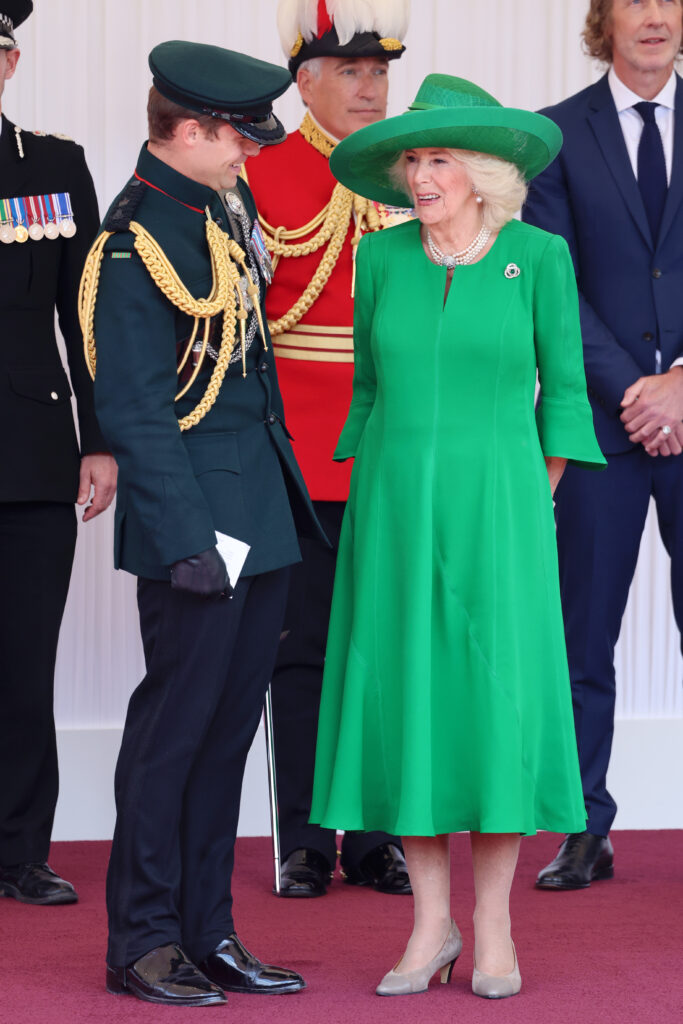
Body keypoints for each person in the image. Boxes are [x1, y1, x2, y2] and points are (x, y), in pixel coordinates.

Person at [309, 74, 606, 1000]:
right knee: (413, 707)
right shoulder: (381, 259)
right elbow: (366, 389)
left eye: (438, 157)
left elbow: (562, 392)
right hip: (392, 511)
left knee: (493, 708)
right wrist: (369, 476)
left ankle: (493, 930)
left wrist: (532, 496)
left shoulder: (539, 256)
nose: (420, 172)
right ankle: (428, 926)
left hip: (501, 514)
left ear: (480, 171)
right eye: (411, 157)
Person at [83, 40, 324, 1007]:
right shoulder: (135, 239)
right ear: (188, 131)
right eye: (235, 136)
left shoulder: (219, 212)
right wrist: (185, 538)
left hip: (256, 511)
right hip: (197, 527)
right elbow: (135, 408)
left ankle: (207, 931)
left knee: (226, 735)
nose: (248, 152)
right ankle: (143, 940)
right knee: (171, 734)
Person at [245, 0, 412, 899]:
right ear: (303, 81)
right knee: (300, 646)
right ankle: (307, 840)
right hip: (299, 448)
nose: (368, 86)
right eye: (349, 71)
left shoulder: (413, 170)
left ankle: (380, 837)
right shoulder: (262, 169)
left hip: (393, 444)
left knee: (385, 646)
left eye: (379, 71)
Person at [523, 0, 683, 891]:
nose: (654, 15)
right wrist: (638, 390)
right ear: (603, 20)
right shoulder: (551, 138)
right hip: (597, 425)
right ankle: (583, 827)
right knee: (581, 635)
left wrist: (682, 384)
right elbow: (554, 284)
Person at [0, 0, 117, 907]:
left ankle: (17, 851)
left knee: (22, 656)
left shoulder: (50, 165)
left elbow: (87, 314)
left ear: (8, 63)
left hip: (31, 452)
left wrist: (100, 438)